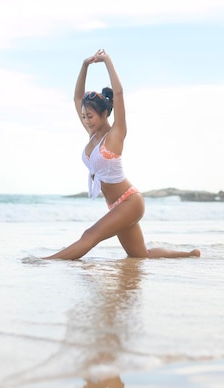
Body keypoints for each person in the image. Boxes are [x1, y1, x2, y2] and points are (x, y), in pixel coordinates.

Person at [45, 49, 200, 260]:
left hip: (130, 202)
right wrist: (84, 65)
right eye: (83, 116)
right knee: (139, 255)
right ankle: (189, 255)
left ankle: (46, 262)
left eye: (90, 116)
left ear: (104, 113)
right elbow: (77, 97)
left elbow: (118, 93)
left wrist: (107, 61)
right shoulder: (92, 136)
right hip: (116, 205)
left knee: (90, 235)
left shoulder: (115, 134)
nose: (86, 120)